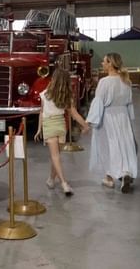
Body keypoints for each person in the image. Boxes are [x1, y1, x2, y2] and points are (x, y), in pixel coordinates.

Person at [84, 53, 138, 192]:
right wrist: (130, 119)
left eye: (104, 62)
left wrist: (89, 122)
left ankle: (109, 178)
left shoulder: (105, 82)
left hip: (108, 117)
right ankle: (126, 172)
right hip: (123, 116)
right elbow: (129, 102)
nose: (102, 64)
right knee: (125, 145)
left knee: (108, 146)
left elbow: (99, 102)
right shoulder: (126, 81)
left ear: (110, 64)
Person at [35, 63, 89, 196]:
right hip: (61, 125)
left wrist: (39, 129)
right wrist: (85, 125)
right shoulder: (66, 97)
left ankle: (64, 183)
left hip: (49, 124)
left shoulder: (44, 95)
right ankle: (51, 180)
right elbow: (75, 114)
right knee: (57, 156)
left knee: (55, 156)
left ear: (53, 79)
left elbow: (41, 112)